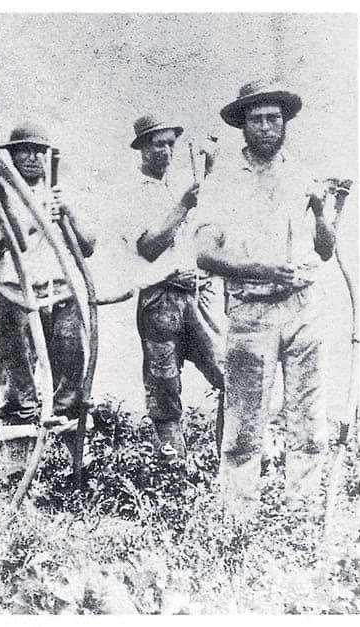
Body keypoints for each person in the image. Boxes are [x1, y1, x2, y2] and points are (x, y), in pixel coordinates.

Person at [196, 81, 336, 519]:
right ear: (242, 125)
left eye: (274, 118)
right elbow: (203, 252)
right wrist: (259, 270)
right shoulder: (221, 183)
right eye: (256, 119)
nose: (266, 127)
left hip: (302, 307)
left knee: (309, 419)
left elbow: (327, 249)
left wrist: (320, 210)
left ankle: (303, 511)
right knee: (243, 422)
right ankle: (238, 516)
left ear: (285, 122)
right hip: (251, 310)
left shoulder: (302, 174)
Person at [0, 122, 96, 481]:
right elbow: (10, 245)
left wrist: (68, 214)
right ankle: (19, 467)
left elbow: (87, 247)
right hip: (16, 296)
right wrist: (6, 198)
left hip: (61, 295)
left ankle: (77, 464)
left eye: (37, 151)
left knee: (71, 376)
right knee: (17, 382)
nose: (31, 158)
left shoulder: (58, 192)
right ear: (11, 156)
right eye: (23, 151)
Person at [123, 114, 225, 459]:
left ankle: (229, 460)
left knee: (228, 373)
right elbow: (149, 247)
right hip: (159, 302)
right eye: (157, 143)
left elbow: (205, 228)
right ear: (142, 148)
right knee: (164, 387)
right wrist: (183, 204)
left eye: (170, 143)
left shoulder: (179, 182)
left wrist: (209, 172)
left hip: (196, 296)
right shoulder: (131, 192)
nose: (166, 150)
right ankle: (171, 467)